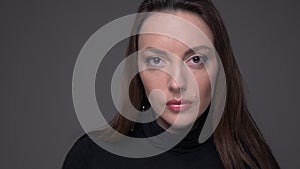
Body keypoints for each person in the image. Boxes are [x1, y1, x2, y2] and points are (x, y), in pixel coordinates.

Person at [63, 0, 280, 168]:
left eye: (195, 59)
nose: (176, 83)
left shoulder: (252, 163)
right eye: (156, 61)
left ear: (221, 69)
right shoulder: (91, 159)